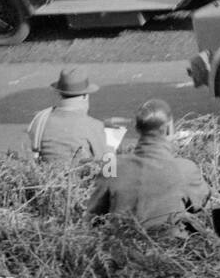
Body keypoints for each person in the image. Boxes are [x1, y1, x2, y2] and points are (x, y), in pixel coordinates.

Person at [86, 99, 212, 234]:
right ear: (169, 128)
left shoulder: (112, 165)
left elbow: (93, 214)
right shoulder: (186, 169)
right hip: (170, 248)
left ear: (137, 128)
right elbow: (204, 204)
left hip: (121, 246)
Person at [27, 67, 106, 165]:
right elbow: (103, 162)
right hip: (80, 177)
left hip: (47, 176)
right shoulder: (93, 125)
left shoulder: (41, 119)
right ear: (85, 96)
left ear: (60, 94)